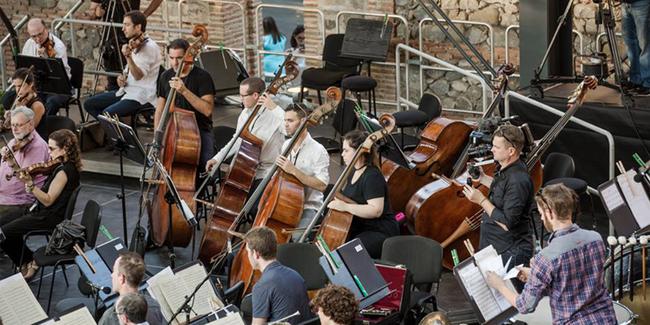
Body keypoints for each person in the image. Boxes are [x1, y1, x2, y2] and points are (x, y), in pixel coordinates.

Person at [486, 184, 616, 324]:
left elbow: (525, 306)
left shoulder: (546, 258)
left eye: (541, 214)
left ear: (550, 213)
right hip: (607, 319)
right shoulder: (595, 239)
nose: (541, 218)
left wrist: (500, 286)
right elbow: (577, 282)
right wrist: (536, 275)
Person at [0, 129, 81, 279]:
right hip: (38, 210)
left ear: (65, 149)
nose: (48, 153)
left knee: (3, 233)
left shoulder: (65, 171)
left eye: (52, 149)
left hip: (47, 216)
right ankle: (27, 260)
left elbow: (48, 200)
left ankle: (28, 260)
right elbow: (25, 174)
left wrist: (31, 186)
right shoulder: (59, 165)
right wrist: (12, 162)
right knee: (2, 225)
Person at [462, 124, 534, 269]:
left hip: (509, 251)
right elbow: (504, 190)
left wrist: (481, 200)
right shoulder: (507, 169)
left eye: (496, 147)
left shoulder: (518, 180)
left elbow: (508, 223)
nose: (492, 149)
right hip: (495, 246)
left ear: (511, 151)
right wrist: (483, 178)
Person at [327, 130, 399, 259]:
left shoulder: (372, 176)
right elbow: (355, 201)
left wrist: (344, 207)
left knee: (349, 253)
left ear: (359, 151)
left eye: (346, 150)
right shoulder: (352, 171)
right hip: (359, 226)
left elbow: (375, 210)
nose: (342, 154)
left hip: (378, 231)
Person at [84, 10, 162, 120]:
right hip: (126, 90)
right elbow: (128, 73)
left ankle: (120, 135)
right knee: (89, 104)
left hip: (141, 95)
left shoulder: (149, 47)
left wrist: (128, 57)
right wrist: (121, 78)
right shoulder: (134, 43)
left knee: (107, 113)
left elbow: (138, 76)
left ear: (138, 27)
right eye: (123, 25)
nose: (123, 29)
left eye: (127, 25)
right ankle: (112, 131)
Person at [206, 77, 284, 185]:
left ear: (255, 95)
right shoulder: (245, 113)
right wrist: (217, 159)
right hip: (245, 169)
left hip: (267, 173)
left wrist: (274, 108)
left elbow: (291, 131)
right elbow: (237, 140)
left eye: (243, 96)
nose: (240, 99)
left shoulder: (275, 115)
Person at [154, 38, 216, 173]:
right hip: (173, 130)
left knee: (203, 169)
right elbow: (160, 109)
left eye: (179, 58)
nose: (175, 63)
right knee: (164, 166)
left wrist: (184, 91)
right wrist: (157, 136)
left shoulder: (203, 77)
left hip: (199, 131)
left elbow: (207, 110)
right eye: (171, 58)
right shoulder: (165, 76)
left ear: (189, 57)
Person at [274, 104, 329, 241]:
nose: (286, 125)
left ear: (304, 121)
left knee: (297, 237)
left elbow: (322, 185)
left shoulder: (318, 150)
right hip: (286, 203)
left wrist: (293, 170)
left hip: (308, 207)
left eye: (290, 121)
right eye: (285, 120)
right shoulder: (286, 145)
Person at [1, 18, 70, 116]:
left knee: (51, 102)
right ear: (29, 34)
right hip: (35, 85)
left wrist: (47, 58)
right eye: (34, 36)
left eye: (40, 34)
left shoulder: (58, 46)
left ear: (46, 29)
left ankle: (43, 127)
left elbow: (57, 73)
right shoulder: (29, 43)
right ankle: (17, 123)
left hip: (58, 87)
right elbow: (24, 69)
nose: (38, 39)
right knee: (7, 98)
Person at [244, 226, 312, 324]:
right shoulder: (295, 274)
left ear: (256, 254)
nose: (248, 256)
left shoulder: (262, 286)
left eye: (248, 252)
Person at [0, 107, 49, 227]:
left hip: (19, 202)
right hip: (4, 197)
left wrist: (11, 162)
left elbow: (24, 179)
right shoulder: (14, 142)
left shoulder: (38, 146)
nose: (14, 129)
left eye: (19, 125)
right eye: (12, 125)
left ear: (31, 124)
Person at [87, 0, 141, 91]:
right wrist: (98, 10)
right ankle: (112, 95)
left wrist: (145, 15)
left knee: (130, 75)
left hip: (131, 37)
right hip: (109, 38)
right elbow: (95, 13)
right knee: (112, 76)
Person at [98, 251, 164, 325]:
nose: (112, 275)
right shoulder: (154, 305)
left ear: (121, 278)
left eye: (114, 271)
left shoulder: (111, 317)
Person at [3, 68, 47, 138]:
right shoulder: (18, 98)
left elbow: (29, 130)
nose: (17, 90)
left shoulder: (37, 105)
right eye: (15, 86)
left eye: (20, 86)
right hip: (17, 137)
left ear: (31, 84)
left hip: (34, 141)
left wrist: (18, 112)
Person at [620, 0, 650, 95]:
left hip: (642, 3)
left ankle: (647, 83)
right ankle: (635, 80)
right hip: (625, 4)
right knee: (630, 43)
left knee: (645, 44)